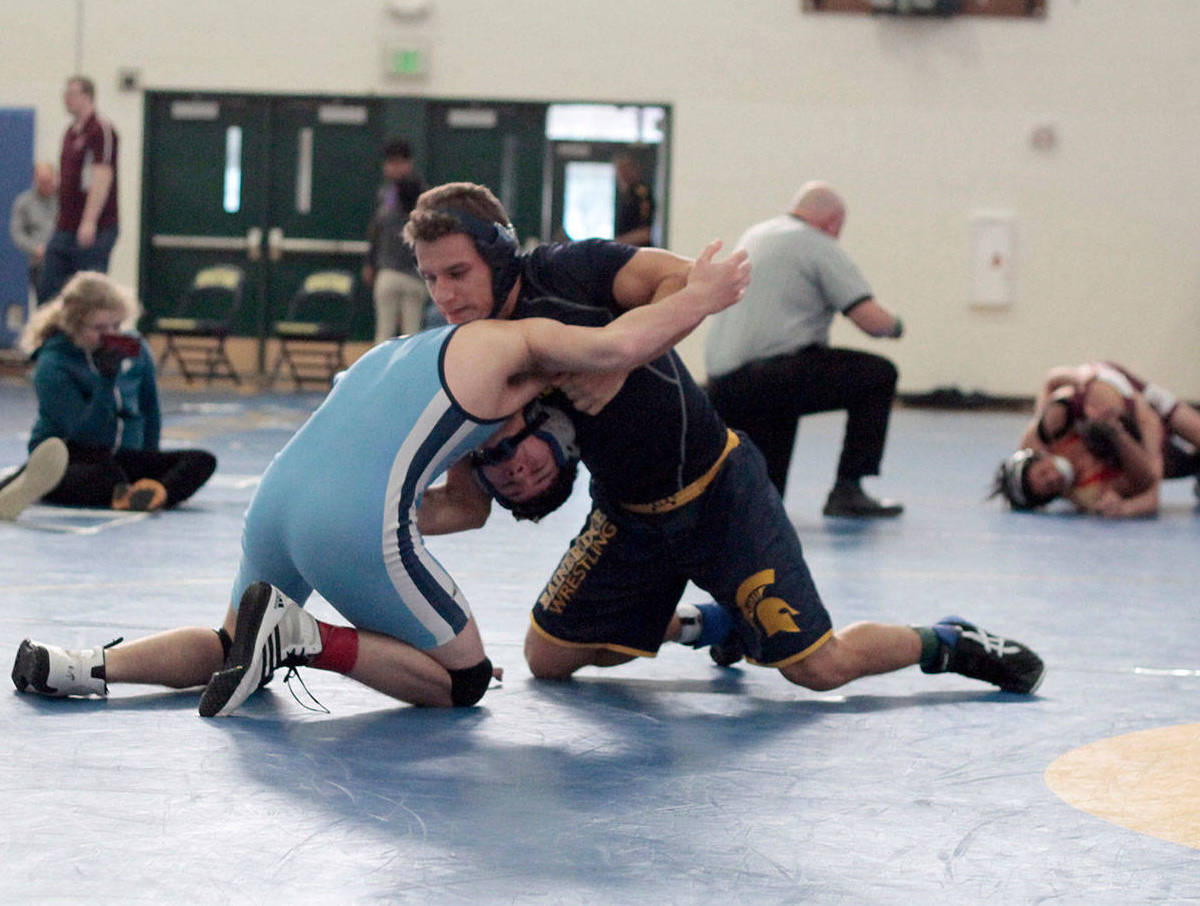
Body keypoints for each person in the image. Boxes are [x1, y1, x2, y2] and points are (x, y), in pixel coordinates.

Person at [12, 237, 751, 718]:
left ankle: (80, 666)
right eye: (437, 276)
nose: (445, 291)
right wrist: (703, 295)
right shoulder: (516, 341)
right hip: (352, 520)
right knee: (462, 681)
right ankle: (302, 637)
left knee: (232, 640)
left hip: (277, 502)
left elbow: (461, 506)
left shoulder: (391, 352)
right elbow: (615, 345)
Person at [407, 182, 1044, 697]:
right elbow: (465, 503)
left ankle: (948, 641)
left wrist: (623, 353)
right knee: (549, 658)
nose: (446, 295)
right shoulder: (468, 354)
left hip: (717, 493)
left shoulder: (567, 273)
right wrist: (381, 517)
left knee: (818, 668)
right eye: (431, 279)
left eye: (458, 272)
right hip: (627, 514)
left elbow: (689, 279)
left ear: (499, 255)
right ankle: (711, 624)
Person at [704, 181, 904, 518]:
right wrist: (897, 326)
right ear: (833, 222)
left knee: (767, 497)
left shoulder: (758, 234)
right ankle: (848, 490)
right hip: (773, 376)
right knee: (878, 375)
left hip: (723, 384)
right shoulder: (816, 243)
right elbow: (871, 320)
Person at [19, 272, 216, 512]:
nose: (111, 335)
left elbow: (149, 409)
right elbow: (86, 436)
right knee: (105, 475)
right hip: (72, 455)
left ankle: (153, 494)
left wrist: (149, 461)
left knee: (201, 461)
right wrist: (106, 380)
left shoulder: (135, 350)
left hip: (123, 457)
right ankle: (32, 481)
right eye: (99, 328)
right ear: (74, 325)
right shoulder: (53, 363)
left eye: (117, 325)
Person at [992, 361, 1200, 517]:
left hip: (1128, 393)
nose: (1053, 478)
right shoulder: (1088, 494)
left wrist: (1079, 377)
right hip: (1127, 434)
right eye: (1049, 487)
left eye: (1043, 473)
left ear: (1039, 457)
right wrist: (1125, 507)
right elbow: (1150, 494)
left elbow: (1052, 380)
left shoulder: (1044, 432)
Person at [35, 76, 119, 305]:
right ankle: (51, 328)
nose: (66, 99)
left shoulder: (100, 129)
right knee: (47, 287)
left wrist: (89, 221)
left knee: (88, 294)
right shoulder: (70, 133)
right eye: (65, 94)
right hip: (65, 225)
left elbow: (102, 176)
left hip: (95, 227)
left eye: (72, 94)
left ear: (87, 97)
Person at [364, 175, 429, 342]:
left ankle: (380, 360)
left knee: (384, 332)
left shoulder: (384, 216)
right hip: (415, 278)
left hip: (388, 276)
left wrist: (369, 264)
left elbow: (374, 241)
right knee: (412, 334)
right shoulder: (424, 221)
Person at [8, 162, 58, 299]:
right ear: (34, 179)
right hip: (40, 264)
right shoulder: (24, 202)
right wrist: (35, 248)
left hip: (65, 262)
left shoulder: (66, 199)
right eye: (42, 181)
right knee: (45, 302)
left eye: (49, 181)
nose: (46, 185)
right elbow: (17, 233)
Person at [613, 153, 655, 247]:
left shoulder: (640, 195)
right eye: (620, 170)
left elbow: (646, 232)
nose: (622, 175)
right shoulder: (625, 196)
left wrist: (617, 243)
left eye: (626, 170)